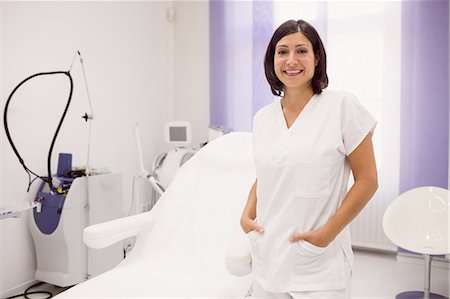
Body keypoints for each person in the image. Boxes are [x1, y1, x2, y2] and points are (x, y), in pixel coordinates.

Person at [240, 19, 378, 298]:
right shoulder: (263, 118)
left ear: (316, 57)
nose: (291, 60)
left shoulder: (341, 106)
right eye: (282, 51)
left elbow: (367, 181)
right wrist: (246, 213)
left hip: (319, 263)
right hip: (269, 257)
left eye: (301, 51)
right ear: (272, 59)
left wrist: (327, 234)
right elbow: (267, 172)